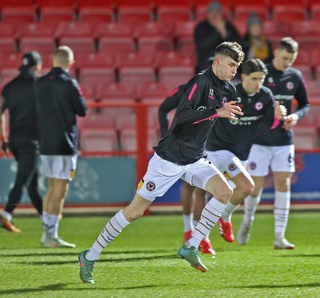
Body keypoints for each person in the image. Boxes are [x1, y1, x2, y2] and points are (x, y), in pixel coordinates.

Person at [78, 41, 245, 283]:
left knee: (224, 192)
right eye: (231, 65)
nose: (234, 71)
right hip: (169, 161)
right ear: (217, 61)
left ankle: (191, 246)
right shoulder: (199, 83)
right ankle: (90, 256)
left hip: (195, 159)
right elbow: (182, 116)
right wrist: (216, 112)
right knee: (134, 212)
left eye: (237, 67)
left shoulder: (226, 90)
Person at [236, 37, 311, 249]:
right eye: (286, 57)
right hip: (259, 140)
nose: (288, 62)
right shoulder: (262, 74)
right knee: (255, 188)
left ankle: (279, 236)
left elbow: (305, 104)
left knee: (283, 183)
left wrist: (296, 117)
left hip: (283, 140)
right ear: (276, 52)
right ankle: (247, 221)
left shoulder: (295, 76)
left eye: (292, 59)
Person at [206, 59, 286, 242]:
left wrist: (278, 117)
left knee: (230, 191)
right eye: (254, 78)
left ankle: (218, 222)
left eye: (262, 79)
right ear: (243, 77)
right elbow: (208, 112)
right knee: (245, 186)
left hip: (241, 153)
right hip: (218, 148)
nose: (259, 83)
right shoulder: (228, 92)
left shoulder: (265, 95)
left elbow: (270, 126)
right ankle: (206, 234)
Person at [35, 45, 87, 248]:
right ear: (71, 63)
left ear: (52, 60)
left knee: (51, 188)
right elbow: (81, 110)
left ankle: (46, 234)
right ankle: (51, 234)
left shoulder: (39, 83)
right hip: (64, 143)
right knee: (61, 190)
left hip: (45, 142)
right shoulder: (69, 83)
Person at [158, 84, 216, 255]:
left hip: (210, 145)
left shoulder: (225, 91)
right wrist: (165, 134)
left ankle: (201, 236)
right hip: (185, 145)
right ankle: (188, 229)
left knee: (203, 190)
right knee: (190, 187)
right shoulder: (187, 89)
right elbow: (163, 109)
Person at [0, 51, 44, 233]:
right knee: (23, 181)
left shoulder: (9, 87)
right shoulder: (40, 85)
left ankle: (45, 218)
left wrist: (2, 137)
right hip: (32, 142)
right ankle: (7, 214)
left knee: (31, 181)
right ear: (37, 66)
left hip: (14, 140)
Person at [194, 1, 241, 73]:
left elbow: (238, 46)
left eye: (217, 12)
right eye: (211, 12)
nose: (214, 15)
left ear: (221, 14)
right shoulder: (201, 27)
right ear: (207, 14)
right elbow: (201, 46)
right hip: (207, 63)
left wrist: (224, 33)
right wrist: (217, 32)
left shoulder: (228, 26)